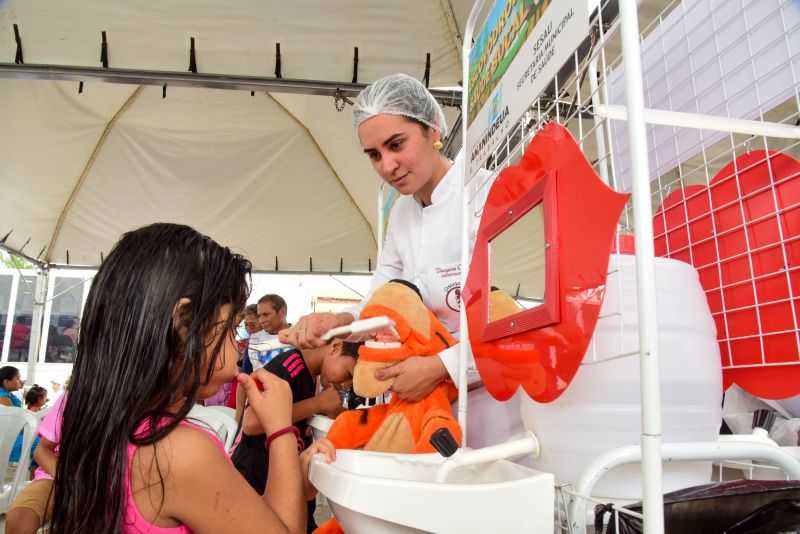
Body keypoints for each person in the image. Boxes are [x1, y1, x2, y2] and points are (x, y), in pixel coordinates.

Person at [280, 73, 524, 450]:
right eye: (375, 155)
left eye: (397, 145)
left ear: (432, 129)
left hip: (491, 396)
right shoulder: (401, 215)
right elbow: (386, 292)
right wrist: (341, 322)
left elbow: (516, 318)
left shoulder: (487, 194)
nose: (387, 165)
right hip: (423, 402)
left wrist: (441, 367)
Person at [48, 223, 335, 534]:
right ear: (185, 323)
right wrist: (279, 430)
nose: (237, 345)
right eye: (232, 325)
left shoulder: (103, 424)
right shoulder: (178, 452)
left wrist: (293, 484)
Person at [233, 339, 359, 533]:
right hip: (254, 484)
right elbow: (251, 423)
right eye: (348, 374)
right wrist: (318, 404)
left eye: (351, 383)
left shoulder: (312, 377)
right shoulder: (290, 365)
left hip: (277, 485)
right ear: (336, 347)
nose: (344, 384)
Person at [5, 391, 67, 534]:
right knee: (19, 520)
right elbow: (42, 450)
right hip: (61, 473)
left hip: (117, 478)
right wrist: (69, 482)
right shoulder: (73, 395)